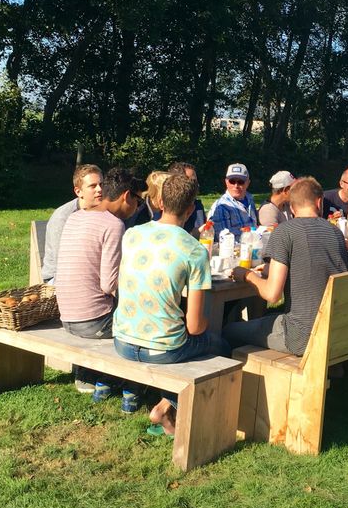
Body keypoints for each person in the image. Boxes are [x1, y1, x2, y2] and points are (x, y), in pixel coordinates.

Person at [113, 173, 230, 435]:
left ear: (160, 203)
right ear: (190, 210)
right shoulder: (194, 251)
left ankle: (167, 404)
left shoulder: (132, 234)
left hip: (122, 340)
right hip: (163, 349)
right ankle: (170, 404)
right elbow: (196, 326)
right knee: (221, 345)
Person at [224, 176, 347, 356]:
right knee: (266, 321)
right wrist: (270, 270)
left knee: (228, 331)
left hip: (301, 336)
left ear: (291, 206)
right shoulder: (336, 232)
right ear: (319, 202)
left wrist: (246, 275)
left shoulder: (285, 231)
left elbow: (272, 294)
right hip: (335, 331)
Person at [55, 168, 143, 392]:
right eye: (139, 201)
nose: (138, 208)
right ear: (127, 196)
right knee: (150, 319)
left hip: (66, 317)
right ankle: (133, 381)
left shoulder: (75, 217)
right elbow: (108, 284)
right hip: (95, 322)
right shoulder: (113, 225)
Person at [41, 164, 102, 284]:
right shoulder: (63, 217)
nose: (99, 189)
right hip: (59, 278)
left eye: (101, 184)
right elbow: (63, 263)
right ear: (78, 191)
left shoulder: (103, 212)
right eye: (93, 186)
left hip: (92, 273)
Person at [209, 163, 258, 237]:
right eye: (232, 181)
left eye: (241, 182)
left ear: (248, 183)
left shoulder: (249, 199)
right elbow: (222, 237)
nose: (236, 185)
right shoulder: (221, 206)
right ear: (226, 182)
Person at [168, 161, 206, 235]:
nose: (197, 185)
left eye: (196, 182)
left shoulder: (198, 207)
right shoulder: (168, 208)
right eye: (192, 181)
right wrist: (196, 233)